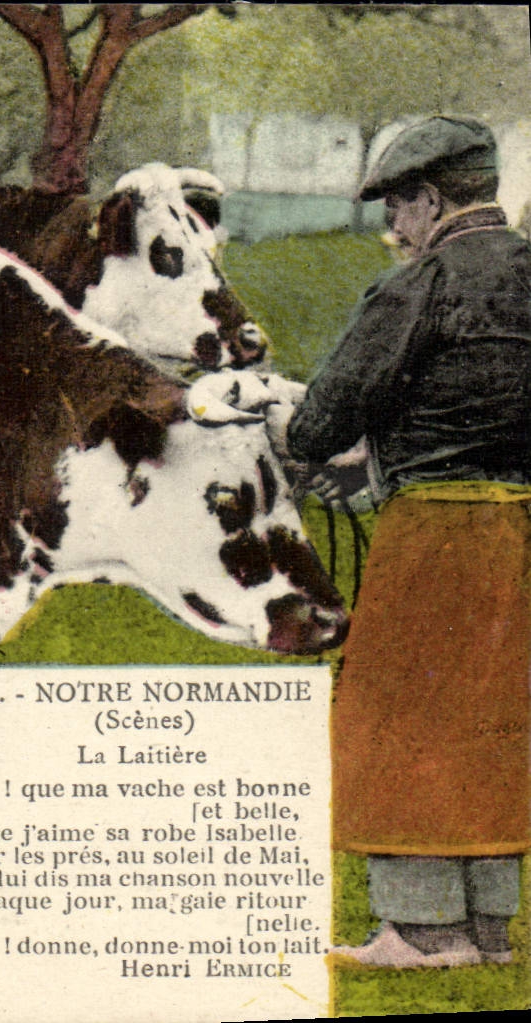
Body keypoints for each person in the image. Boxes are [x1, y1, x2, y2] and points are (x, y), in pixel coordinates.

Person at [284, 116, 531, 968]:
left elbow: (320, 423)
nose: (393, 226)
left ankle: (422, 932)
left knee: (403, 718)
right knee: (500, 721)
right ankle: (491, 929)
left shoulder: (418, 285)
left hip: (437, 534)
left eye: (397, 205)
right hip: (523, 531)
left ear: (429, 199)